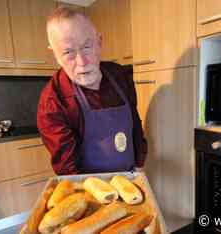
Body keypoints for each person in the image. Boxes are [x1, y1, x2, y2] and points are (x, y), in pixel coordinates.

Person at [37, 7, 147, 175]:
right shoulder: (53, 101)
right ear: (55, 54)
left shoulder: (119, 76)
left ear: (99, 42)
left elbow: (134, 122)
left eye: (87, 47)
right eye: (68, 52)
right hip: (89, 189)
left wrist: (139, 166)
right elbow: (67, 169)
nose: (82, 62)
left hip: (130, 179)